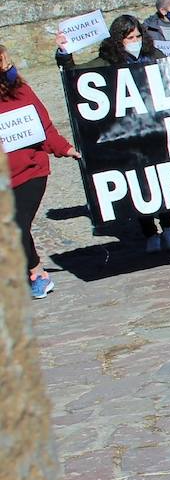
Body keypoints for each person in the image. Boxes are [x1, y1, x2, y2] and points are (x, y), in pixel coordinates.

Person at [56, 15, 170, 252]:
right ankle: (149, 232)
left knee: (162, 180)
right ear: (118, 40)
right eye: (128, 38)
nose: (134, 41)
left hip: (156, 129)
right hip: (127, 134)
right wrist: (64, 52)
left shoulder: (155, 56)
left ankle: (168, 227)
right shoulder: (106, 62)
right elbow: (75, 76)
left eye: (137, 36)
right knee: (139, 183)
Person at [1, 44, 80, 299]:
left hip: (30, 171)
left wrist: (65, 148)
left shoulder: (20, 91)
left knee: (16, 225)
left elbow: (42, 126)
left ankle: (37, 272)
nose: (5, 65)